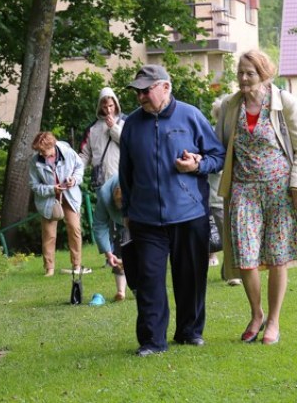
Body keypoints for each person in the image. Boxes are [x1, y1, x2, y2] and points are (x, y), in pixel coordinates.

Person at [216, 49, 297, 346]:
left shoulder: (285, 103)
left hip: (280, 189)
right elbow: (218, 148)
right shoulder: (230, 106)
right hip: (244, 189)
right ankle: (256, 314)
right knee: (245, 256)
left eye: (249, 73)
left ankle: (274, 321)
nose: (243, 78)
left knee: (278, 257)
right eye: (240, 72)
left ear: (264, 75)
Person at [119, 64, 226, 356]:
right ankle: (152, 340)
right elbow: (124, 171)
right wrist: (127, 209)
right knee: (150, 279)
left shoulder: (191, 115)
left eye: (146, 90)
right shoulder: (131, 124)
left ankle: (190, 332)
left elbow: (218, 156)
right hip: (145, 218)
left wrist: (198, 165)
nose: (140, 96)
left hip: (190, 213)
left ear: (166, 87)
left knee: (190, 277)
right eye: (138, 91)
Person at [29, 131, 87, 277]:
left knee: (74, 228)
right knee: (49, 234)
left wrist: (73, 180)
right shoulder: (35, 161)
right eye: (39, 151)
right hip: (48, 200)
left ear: (52, 145)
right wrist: (51, 189)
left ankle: (77, 265)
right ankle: (49, 268)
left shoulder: (67, 152)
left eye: (43, 150)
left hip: (69, 196)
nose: (41, 154)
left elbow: (79, 168)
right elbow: (34, 185)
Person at [209, 97, 242, 287]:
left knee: (232, 232)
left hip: (234, 192)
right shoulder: (214, 134)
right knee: (227, 233)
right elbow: (214, 163)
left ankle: (227, 271)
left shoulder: (234, 132)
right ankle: (232, 274)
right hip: (217, 196)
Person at [92, 174, 128, 301]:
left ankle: (141, 289)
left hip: (143, 220)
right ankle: (121, 291)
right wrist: (108, 253)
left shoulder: (144, 188)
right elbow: (99, 224)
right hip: (118, 225)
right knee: (118, 251)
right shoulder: (105, 195)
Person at [79, 87, 123, 190]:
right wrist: (76, 173)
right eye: (105, 107)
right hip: (101, 180)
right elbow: (84, 155)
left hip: (121, 177)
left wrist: (114, 127)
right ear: (100, 107)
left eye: (111, 106)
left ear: (116, 104)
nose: (108, 110)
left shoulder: (125, 122)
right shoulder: (92, 129)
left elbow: (130, 144)